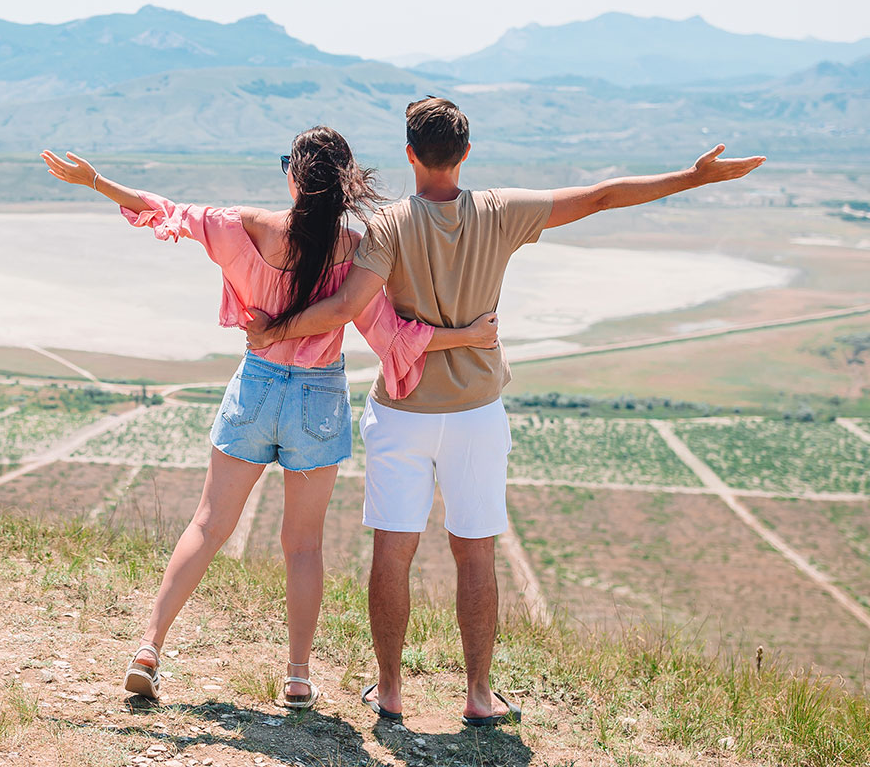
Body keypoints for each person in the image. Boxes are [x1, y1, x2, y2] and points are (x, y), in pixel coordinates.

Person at [248, 97, 765, 726]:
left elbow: (341, 309)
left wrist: (274, 332)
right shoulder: (499, 212)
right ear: (465, 154)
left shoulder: (386, 226)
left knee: (393, 551)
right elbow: (601, 196)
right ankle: (477, 694)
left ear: (409, 154)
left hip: (404, 413)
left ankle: (389, 691)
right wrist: (691, 177)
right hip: (476, 414)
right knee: (476, 553)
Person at [40, 126, 499, 710]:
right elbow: (391, 334)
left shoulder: (244, 227)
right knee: (302, 546)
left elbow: (164, 211)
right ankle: (299, 676)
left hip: (255, 388)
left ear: (294, 175)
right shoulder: (355, 248)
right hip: (318, 401)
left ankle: (149, 649)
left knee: (207, 526)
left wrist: (96, 181)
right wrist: (468, 335)